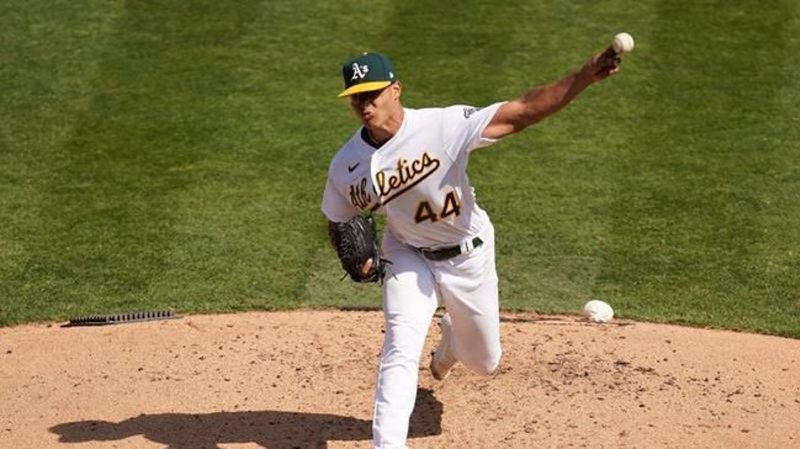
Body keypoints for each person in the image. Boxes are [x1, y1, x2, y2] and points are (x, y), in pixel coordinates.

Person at [321, 47, 622, 448]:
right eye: (356, 97)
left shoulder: (442, 126)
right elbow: (337, 217)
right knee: (400, 347)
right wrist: (349, 252)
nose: (365, 104)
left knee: (484, 362)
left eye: (372, 93)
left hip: (467, 253)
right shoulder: (347, 163)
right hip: (407, 253)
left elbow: (522, 111)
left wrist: (583, 76)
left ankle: (452, 339)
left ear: (396, 89)